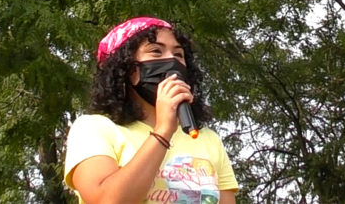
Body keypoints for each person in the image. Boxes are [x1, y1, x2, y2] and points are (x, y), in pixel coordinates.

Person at [64, 16, 239, 204]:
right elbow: (104, 200)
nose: (171, 60)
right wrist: (163, 131)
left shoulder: (208, 139)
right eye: (156, 51)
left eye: (179, 55)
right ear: (125, 68)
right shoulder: (95, 128)